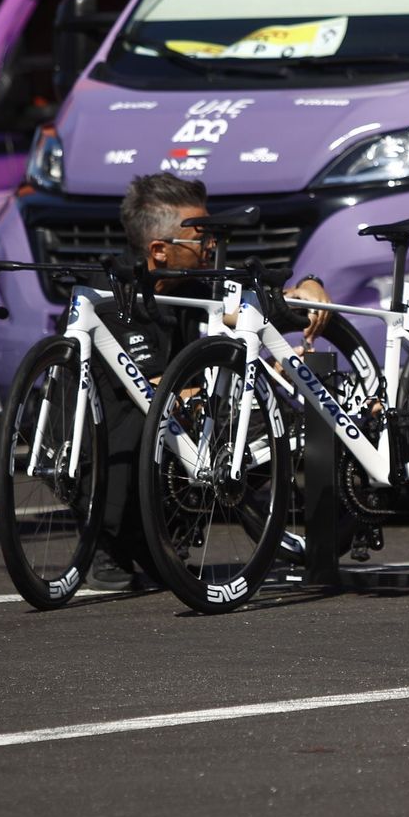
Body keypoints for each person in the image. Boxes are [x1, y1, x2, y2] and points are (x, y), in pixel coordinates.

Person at [90, 173, 330, 589]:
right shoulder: (109, 294)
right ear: (160, 250)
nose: (212, 245)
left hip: (168, 436)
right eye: (200, 237)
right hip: (110, 438)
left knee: (246, 424)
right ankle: (107, 539)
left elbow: (251, 306)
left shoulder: (192, 283)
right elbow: (151, 383)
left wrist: (308, 287)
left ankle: (168, 528)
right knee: (152, 412)